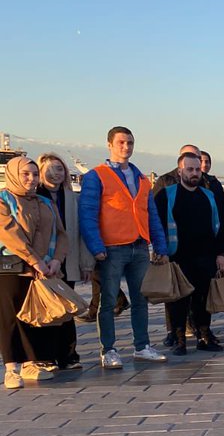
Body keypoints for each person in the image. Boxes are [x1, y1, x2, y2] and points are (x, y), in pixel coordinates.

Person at [79, 126, 170, 369]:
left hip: (139, 246)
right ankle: (108, 350)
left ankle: (142, 346)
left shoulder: (141, 179)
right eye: (121, 142)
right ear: (109, 144)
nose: (126, 147)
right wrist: (96, 246)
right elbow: (87, 214)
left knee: (141, 298)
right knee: (108, 301)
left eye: (129, 142)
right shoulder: (96, 176)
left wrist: (160, 246)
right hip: (111, 248)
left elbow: (151, 215)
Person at [0, 157, 66, 388]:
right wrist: (35, 261)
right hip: (11, 268)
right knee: (10, 318)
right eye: (25, 174)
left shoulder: (45, 202)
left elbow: (61, 234)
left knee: (33, 315)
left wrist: (56, 259)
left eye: (35, 174)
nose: (31, 179)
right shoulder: (3, 200)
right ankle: (11, 369)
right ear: (13, 175)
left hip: (43, 268)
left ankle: (31, 363)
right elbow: (9, 234)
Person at [154, 153, 224, 354]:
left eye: (197, 169)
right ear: (180, 171)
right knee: (178, 301)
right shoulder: (166, 195)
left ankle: (204, 337)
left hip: (205, 257)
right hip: (178, 257)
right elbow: (156, 225)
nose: (194, 173)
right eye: (190, 169)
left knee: (202, 300)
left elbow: (220, 226)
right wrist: (160, 251)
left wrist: (221, 253)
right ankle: (179, 340)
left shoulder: (208, 196)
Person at [35, 152, 89, 370]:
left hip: (68, 259)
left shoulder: (72, 197)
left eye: (59, 169)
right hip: (43, 262)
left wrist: (86, 263)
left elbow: (80, 232)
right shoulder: (35, 197)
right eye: (49, 169)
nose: (55, 173)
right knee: (47, 311)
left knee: (67, 309)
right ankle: (45, 356)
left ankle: (68, 355)